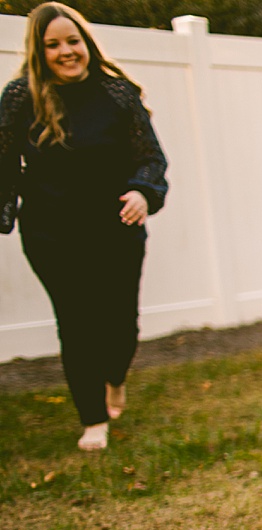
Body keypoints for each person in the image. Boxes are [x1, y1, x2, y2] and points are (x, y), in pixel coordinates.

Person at [0, 2, 168, 451]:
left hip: (116, 227)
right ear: (39, 51)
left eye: (72, 41)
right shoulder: (21, 98)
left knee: (120, 324)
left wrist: (141, 192)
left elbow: (150, 156)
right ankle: (93, 419)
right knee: (75, 324)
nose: (65, 51)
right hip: (51, 233)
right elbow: (3, 163)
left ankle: (115, 377)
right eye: (52, 45)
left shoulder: (117, 94)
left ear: (87, 43)